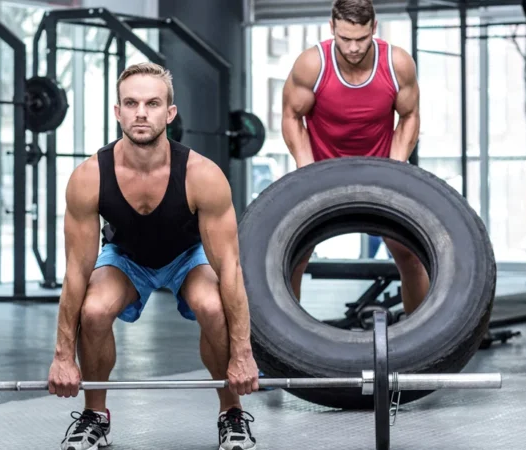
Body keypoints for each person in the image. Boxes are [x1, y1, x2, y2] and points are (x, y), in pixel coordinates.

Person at [48, 62, 259, 450]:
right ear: (117, 112)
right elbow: (76, 271)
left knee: (212, 307)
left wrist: (243, 355)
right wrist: (63, 356)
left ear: (170, 113)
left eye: (152, 103)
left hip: (186, 256)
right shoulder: (89, 176)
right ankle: (96, 416)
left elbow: (229, 269)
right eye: (131, 103)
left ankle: (230, 412)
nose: (141, 113)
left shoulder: (202, 174)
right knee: (93, 310)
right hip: (126, 259)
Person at [282, 0, 426, 315]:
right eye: (345, 39)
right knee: (293, 256)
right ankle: (285, 347)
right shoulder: (312, 64)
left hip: (380, 171)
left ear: (374, 28)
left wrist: (397, 166)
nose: (353, 48)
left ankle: (422, 341)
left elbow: (410, 116)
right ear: (332, 28)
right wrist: (306, 171)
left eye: (361, 39)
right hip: (322, 171)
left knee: (411, 255)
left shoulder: (396, 63)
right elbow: (292, 117)